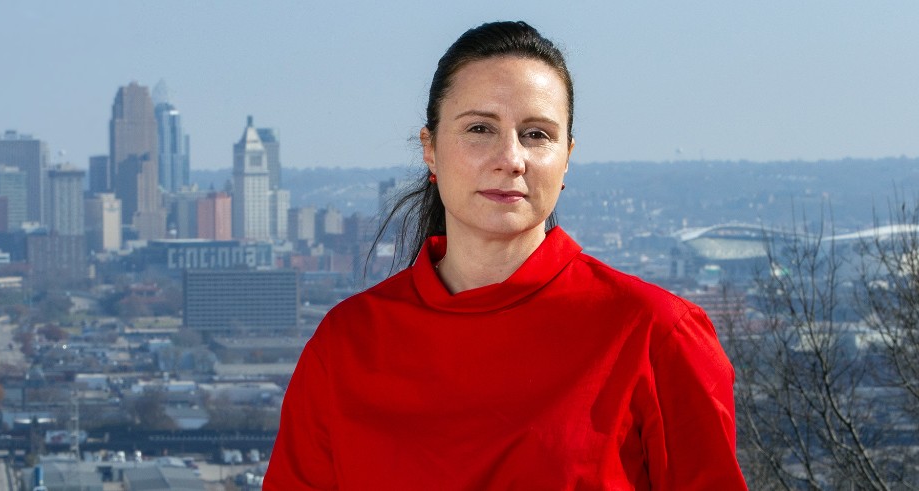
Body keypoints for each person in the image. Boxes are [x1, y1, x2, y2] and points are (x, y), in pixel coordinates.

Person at [265, 21, 746, 489]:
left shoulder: (655, 335)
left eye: (537, 134)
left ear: (566, 158)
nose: (511, 158)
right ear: (429, 150)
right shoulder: (347, 346)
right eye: (479, 128)